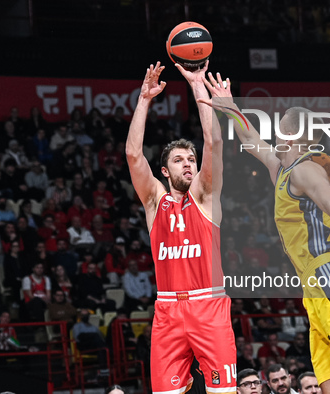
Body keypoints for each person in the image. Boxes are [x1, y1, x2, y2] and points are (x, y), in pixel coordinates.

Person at [202, 76, 330, 394]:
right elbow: (251, 140)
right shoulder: (282, 171)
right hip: (314, 288)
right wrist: (231, 108)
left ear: (290, 135)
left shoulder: (306, 169)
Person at [125, 61, 235, 394]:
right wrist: (144, 99)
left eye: (191, 159)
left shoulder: (205, 197)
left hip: (209, 306)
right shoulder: (155, 202)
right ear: (164, 171)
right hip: (168, 309)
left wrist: (198, 85)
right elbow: (132, 153)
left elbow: (213, 141)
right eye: (179, 160)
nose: (188, 163)